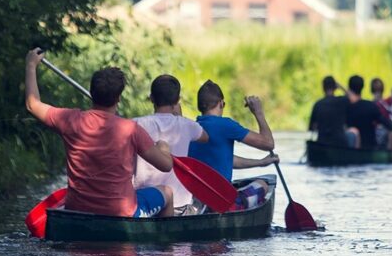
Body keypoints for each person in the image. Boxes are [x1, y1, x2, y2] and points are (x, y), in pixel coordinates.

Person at [23, 48, 175, 218]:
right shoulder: (131, 129)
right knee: (167, 192)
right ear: (118, 98)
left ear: (92, 94)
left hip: (78, 211)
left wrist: (31, 65)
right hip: (122, 214)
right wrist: (163, 147)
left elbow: (32, 105)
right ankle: (165, 244)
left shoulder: (70, 120)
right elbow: (166, 165)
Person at [188, 80, 277, 210]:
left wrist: (260, 162)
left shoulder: (192, 128)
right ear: (221, 103)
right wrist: (258, 112)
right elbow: (268, 144)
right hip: (223, 203)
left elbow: (227, 159)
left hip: (199, 201)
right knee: (263, 184)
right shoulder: (226, 125)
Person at [133, 74, 210, 216]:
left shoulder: (136, 124)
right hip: (180, 207)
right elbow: (205, 137)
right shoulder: (187, 125)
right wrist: (179, 117)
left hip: (146, 205)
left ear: (151, 99)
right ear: (177, 101)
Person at [344, 74, 392, 149]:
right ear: (362, 87)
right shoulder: (371, 106)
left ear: (349, 87)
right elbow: (388, 125)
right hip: (369, 147)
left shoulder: (345, 107)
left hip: (350, 149)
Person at [308, 75, 356, 148]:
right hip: (339, 143)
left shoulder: (318, 104)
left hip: (322, 143)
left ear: (323, 88)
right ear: (335, 88)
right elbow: (353, 99)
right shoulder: (342, 101)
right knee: (352, 134)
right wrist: (341, 87)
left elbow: (312, 128)